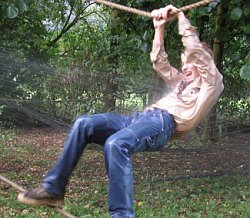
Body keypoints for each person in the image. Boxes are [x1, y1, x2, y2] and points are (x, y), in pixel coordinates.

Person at [17, 5, 224, 218]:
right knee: (84, 123)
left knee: (116, 144)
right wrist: (159, 28)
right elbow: (159, 62)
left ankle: (122, 215)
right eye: (183, 62)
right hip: (139, 120)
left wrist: (181, 16)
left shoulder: (212, 84)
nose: (186, 66)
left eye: (191, 62)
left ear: (204, 65)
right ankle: (53, 190)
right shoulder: (181, 82)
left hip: (164, 123)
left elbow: (197, 52)